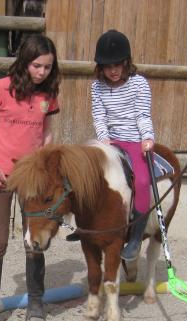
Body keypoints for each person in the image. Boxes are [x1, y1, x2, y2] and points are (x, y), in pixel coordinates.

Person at [0, 34, 60, 321]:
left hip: (32, 178)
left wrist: (45, 164)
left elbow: (46, 132)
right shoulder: (2, 87)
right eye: (37, 65)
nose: (42, 72)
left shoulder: (48, 94)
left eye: (47, 67)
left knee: (34, 240)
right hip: (1, 176)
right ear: (25, 61)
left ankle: (36, 306)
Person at [66, 30, 154, 262]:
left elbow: (143, 114)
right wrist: (103, 139)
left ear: (126, 62)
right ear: (100, 67)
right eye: (107, 66)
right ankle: (83, 224)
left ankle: (135, 237)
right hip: (109, 139)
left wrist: (147, 137)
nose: (113, 70)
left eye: (117, 65)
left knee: (143, 181)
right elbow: (99, 116)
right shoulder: (97, 87)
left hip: (134, 139)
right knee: (83, 169)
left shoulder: (139, 84)